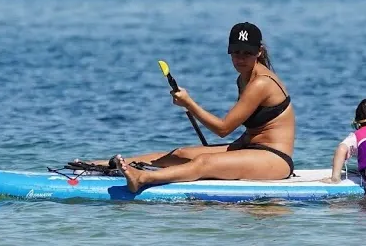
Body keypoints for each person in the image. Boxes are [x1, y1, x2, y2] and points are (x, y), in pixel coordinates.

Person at [109, 22, 296, 193]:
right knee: (180, 154)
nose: (240, 59)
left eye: (247, 53)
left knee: (204, 162)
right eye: (236, 52)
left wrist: (188, 103)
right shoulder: (244, 78)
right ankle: (105, 164)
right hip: (249, 147)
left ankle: (142, 178)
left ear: (259, 51)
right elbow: (256, 126)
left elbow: (223, 129)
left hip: (274, 158)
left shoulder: (261, 83)